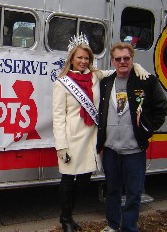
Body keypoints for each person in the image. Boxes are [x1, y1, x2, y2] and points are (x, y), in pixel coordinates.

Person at [52, 35, 149, 232]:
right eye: (79, 58)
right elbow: (58, 117)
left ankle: (68, 215)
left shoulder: (95, 76)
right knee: (68, 179)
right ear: (72, 58)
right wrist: (61, 145)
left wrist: (137, 67)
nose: (83, 61)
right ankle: (66, 219)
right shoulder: (62, 83)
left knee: (84, 179)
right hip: (71, 139)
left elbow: (120, 69)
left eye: (86, 58)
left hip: (90, 139)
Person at [96, 42, 167, 232]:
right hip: (111, 149)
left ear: (132, 59)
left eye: (126, 58)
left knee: (134, 193)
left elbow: (162, 109)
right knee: (112, 190)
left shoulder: (146, 81)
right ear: (112, 61)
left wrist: (147, 129)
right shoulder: (106, 82)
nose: (122, 62)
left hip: (135, 150)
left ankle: (129, 227)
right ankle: (112, 224)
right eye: (118, 59)